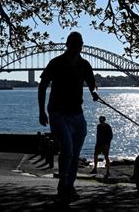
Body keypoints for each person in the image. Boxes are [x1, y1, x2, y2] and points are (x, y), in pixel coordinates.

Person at [38, 31, 99, 201]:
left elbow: (93, 85)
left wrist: (94, 93)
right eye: (74, 43)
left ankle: (69, 185)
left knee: (75, 152)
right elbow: (42, 86)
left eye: (79, 43)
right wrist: (41, 111)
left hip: (77, 114)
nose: (77, 46)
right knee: (68, 148)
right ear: (67, 44)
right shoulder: (56, 63)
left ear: (82, 45)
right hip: (58, 112)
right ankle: (63, 184)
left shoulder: (85, 65)